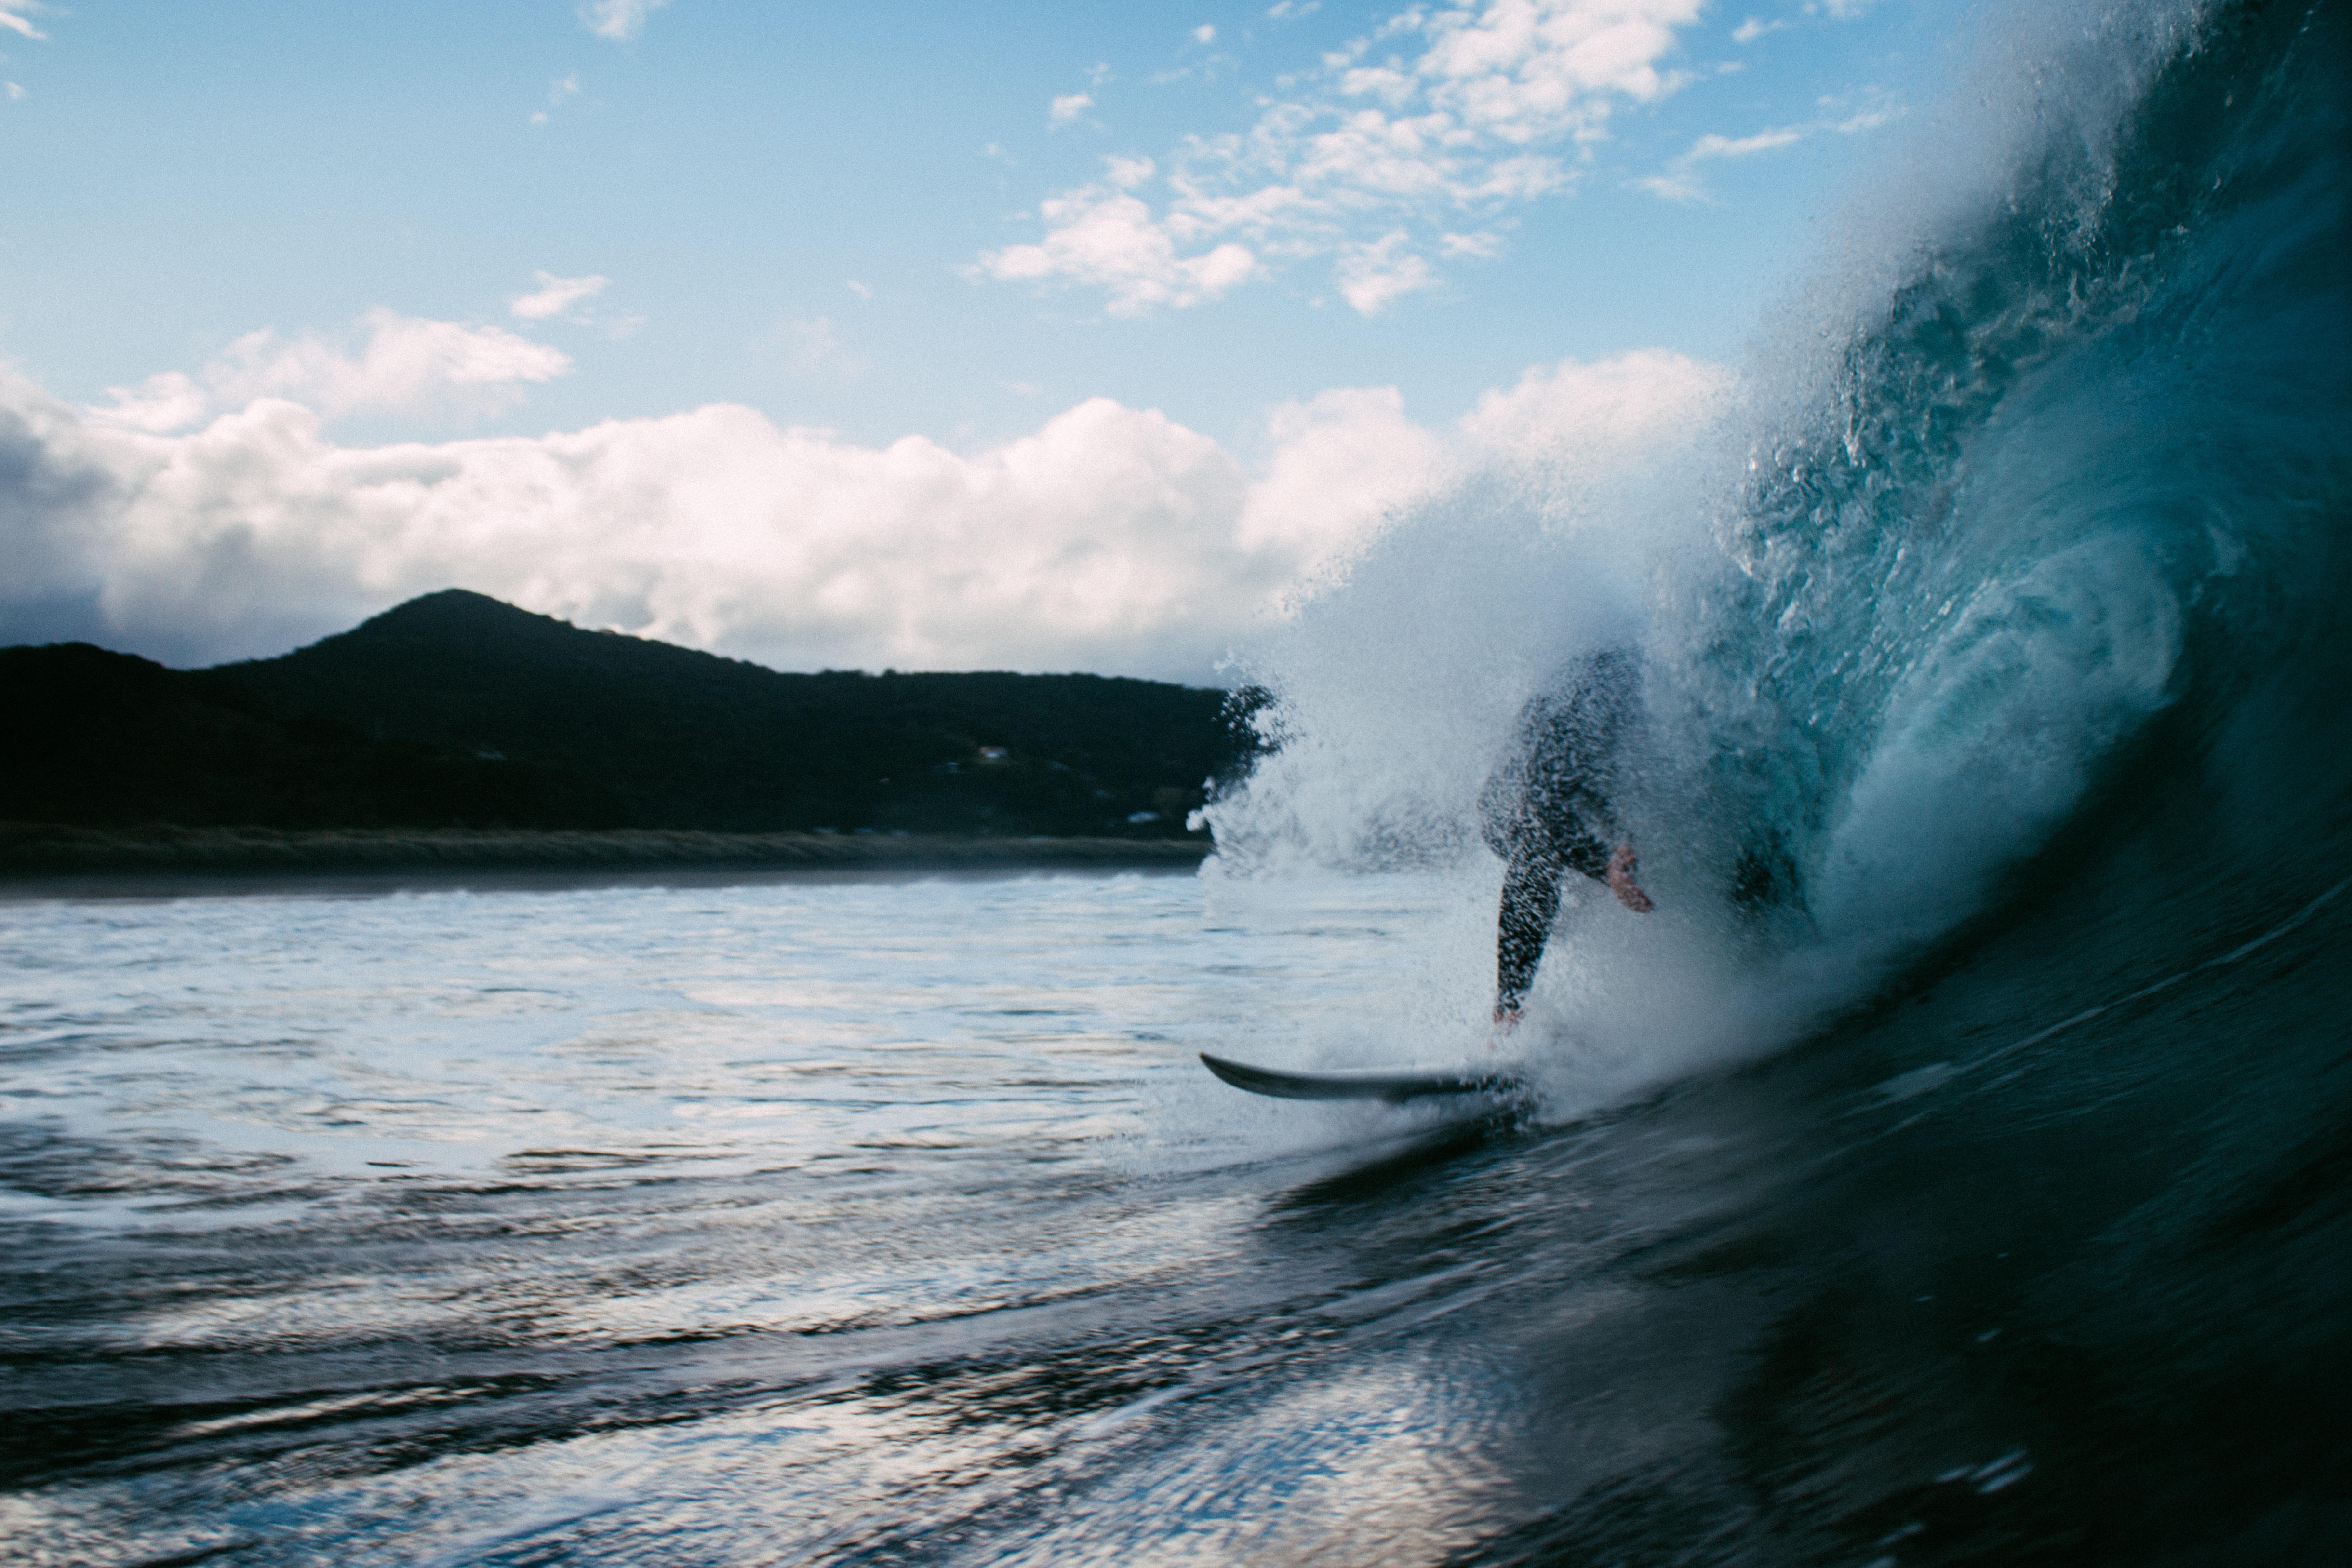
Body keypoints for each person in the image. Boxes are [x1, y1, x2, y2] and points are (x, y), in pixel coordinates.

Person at [1479, 646, 1653, 1029]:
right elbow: (1544, 800)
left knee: (1611, 872)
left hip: (1576, 793)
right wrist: (1605, 865)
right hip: (1511, 806)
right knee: (1542, 852)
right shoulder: (1593, 697)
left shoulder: (1658, 700)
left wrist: (1624, 845)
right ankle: (1508, 1014)